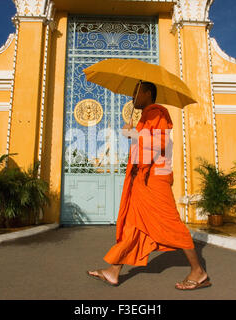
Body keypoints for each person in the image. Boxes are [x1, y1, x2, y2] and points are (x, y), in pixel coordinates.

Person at [87, 81, 211, 290]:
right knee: (134, 226)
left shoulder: (157, 112)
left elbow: (160, 143)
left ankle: (198, 272)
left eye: (136, 93)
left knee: (171, 223)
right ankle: (113, 271)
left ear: (146, 93)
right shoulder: (145, 117)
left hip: (155, 178)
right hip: (142, 180)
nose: (132, 97)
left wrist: (133, 134)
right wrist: (134, 133)